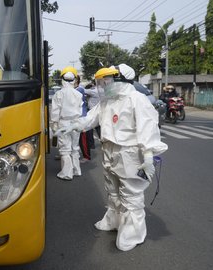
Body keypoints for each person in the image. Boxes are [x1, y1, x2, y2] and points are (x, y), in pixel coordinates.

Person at [56, 64, 168, 251]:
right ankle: (114, 221)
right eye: (102, 81)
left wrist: (148, 156)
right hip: (109, 149)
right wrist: (74, 125)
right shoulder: (107, 101)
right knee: (112, 189)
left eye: (107, 80)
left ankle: (133, 233)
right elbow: (91, 118)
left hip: (130, 152)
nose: (104, 84)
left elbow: (148, 127)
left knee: (131, 193)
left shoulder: (136, 99)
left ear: (121, 80)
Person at [50, 66, 83, 180]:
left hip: (63, 123)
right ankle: (76, 170)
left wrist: (53, 125)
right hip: (76, 123)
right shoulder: (78, 94)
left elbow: (55, 112)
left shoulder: (59, 94)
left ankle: (66, 173)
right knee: (74, 147)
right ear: (74, 79)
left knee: (65, 149)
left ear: (62, 79)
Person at [75, 82, 91, 162]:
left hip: (81, 117)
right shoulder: (76, 89)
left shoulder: (79, 89)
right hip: (77, 117)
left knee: (83, 139)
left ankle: (86, 156)